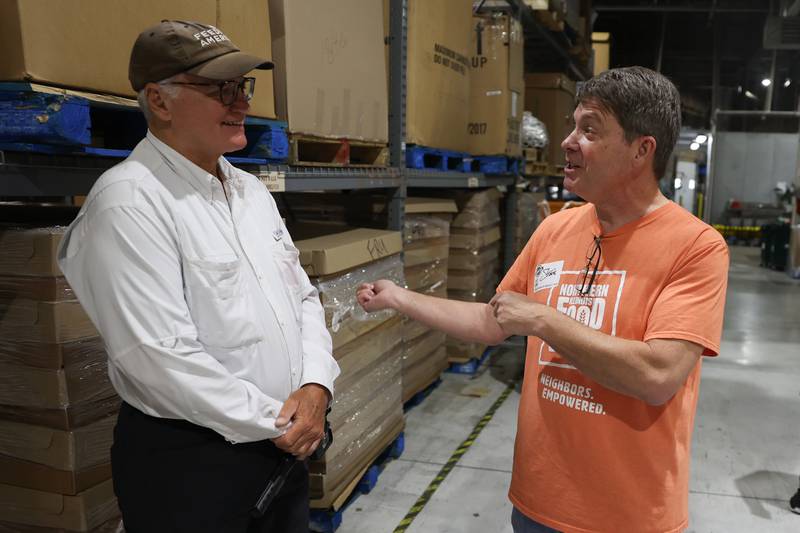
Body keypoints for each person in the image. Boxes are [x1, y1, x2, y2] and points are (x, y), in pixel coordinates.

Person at [358, 66, 729, 533]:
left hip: (628, 516)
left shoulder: (696, 246)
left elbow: (658, 375)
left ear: (642, 149)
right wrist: (400, 298)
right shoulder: (557, 228)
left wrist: (545, 320)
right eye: (572, 126)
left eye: (589, 130)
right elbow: (493, 322)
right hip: (538, 502)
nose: (567, 141)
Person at [57, 20, 339, 533]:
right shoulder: (129, 203)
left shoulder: (251, 193)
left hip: (285, 446)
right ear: (159, 101)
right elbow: (158, 356)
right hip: (194, 466)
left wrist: (316, 385)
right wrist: (282, 420)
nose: (241, 103)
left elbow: (302, 298)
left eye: (242, 86)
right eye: (219, 89)